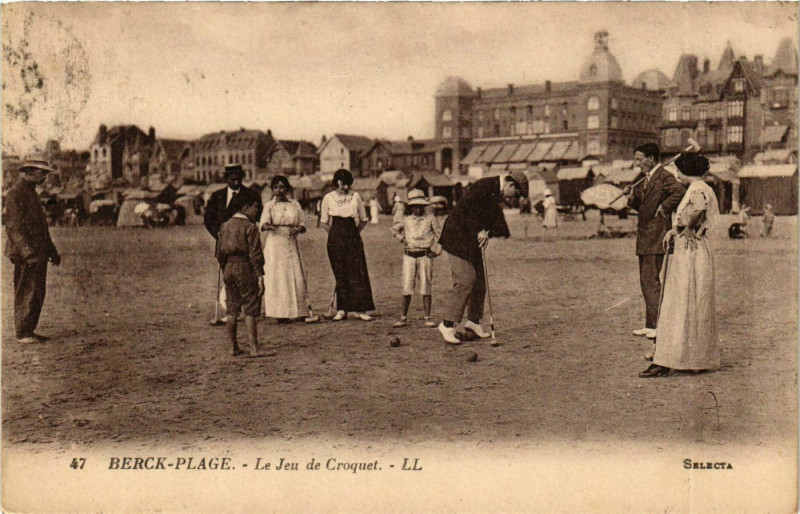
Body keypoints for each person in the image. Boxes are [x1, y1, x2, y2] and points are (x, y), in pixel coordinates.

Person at [639, 153, 720, 378]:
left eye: (679, 171)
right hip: (697, 250)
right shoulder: (706, 187)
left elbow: (698, 209)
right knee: (694, 302)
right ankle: (693, 357)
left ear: (685, 171)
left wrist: (683, 227)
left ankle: (667, 359)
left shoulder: (696, 190)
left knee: (678, 302)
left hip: (689, 252)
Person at [437, 171, 528, 344]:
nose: (513, 199)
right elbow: (465, 212)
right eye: (515, 194)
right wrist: (480, 229)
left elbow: (496, 222)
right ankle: (447, 324)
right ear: (510, 185)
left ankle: (473, 323)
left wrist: (487, 232)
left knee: (479, 280)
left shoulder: (497, 192)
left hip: (471, 240)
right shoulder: (483, 186)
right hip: (456, 238)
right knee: (465, 280)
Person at [624, 143, 686, 340]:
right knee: (646, 281)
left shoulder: (664, 175)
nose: (637, 164)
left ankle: (659, 325)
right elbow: (644, 207)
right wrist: (632, 197)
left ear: (651, 159)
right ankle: (651, 324)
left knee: (651, 281)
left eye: (640, 159)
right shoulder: (648, 178)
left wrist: (665, 208)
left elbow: (680, 191)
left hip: (656, 236)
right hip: (646, 237)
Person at [4, 158, 61, 344]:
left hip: (39, 252)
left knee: (37, 291)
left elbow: (43, 228)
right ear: (28, 171)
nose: (44, 176)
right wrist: (27, 253)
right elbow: (14, 227)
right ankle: (23, 332)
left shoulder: (31, 193)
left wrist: (52, 251)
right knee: (26, 290)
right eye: (41, 172)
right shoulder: (16, 193)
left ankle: (29, 329)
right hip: (26, 254)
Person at [204, 164, 263, 325]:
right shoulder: (217, 196)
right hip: (225, 246)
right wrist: (220, 235)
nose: (236, 182)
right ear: (226, 179)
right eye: (232, 179)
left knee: (248, 277)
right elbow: (208, 219)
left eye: (239, 179)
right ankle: (232, 310)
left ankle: (247, 310)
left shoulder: (251, 194)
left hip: (246, 244)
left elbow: (258, 217)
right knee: (228, 277)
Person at [320, 168, 375, 321]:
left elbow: (364, 219)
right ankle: (342, 309)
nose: (345, 188)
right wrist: (335, 235)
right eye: (342, 184)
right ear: (336, 182)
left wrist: (353, 234)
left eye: (348, 185)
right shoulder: (328, 198)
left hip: (352, 236)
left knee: (357, 272)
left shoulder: (355, 196)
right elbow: (323, 222)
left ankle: (360, 309)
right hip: (335, 236)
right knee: (340, 272)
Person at [216, 195, 266, 357]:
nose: (257, 211)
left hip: (229, 267)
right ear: (245, 208)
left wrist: (226, 268)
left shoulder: (224, 226)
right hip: (245, 266)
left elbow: (219, 253)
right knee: (250, 308)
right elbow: (255, 254)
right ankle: (254, 348)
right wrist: (260, 276)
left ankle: (233, 347)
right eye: (255, 207)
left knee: (232, 309)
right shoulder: (250, 227)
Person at [259, 175, 309, 323]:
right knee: (278, 277)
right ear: (272, 189)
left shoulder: (295, 204)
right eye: (275, 187)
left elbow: (302, 222)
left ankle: (300, 311)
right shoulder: (269, 205)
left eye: (282, 187)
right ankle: (281, 312)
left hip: (291, 242)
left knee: (295, 275)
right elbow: (263, 223)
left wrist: (298, 229)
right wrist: (270, 226)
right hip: (275, 244)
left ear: (287, 188)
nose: (279, 190)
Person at [391, 189, 442, 328]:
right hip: (409, 256)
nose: (417, 209)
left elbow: (440, 235)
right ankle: (403, 317)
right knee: (407, 286)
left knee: (426, 286)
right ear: (411, 207)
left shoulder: (430, 218)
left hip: (425, 256)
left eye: (420, 206)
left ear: (424, 206)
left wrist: (437, 251)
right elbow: (394, 229)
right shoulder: (406, 220)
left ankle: (427, 317)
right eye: (414, 207)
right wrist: (402, 238)